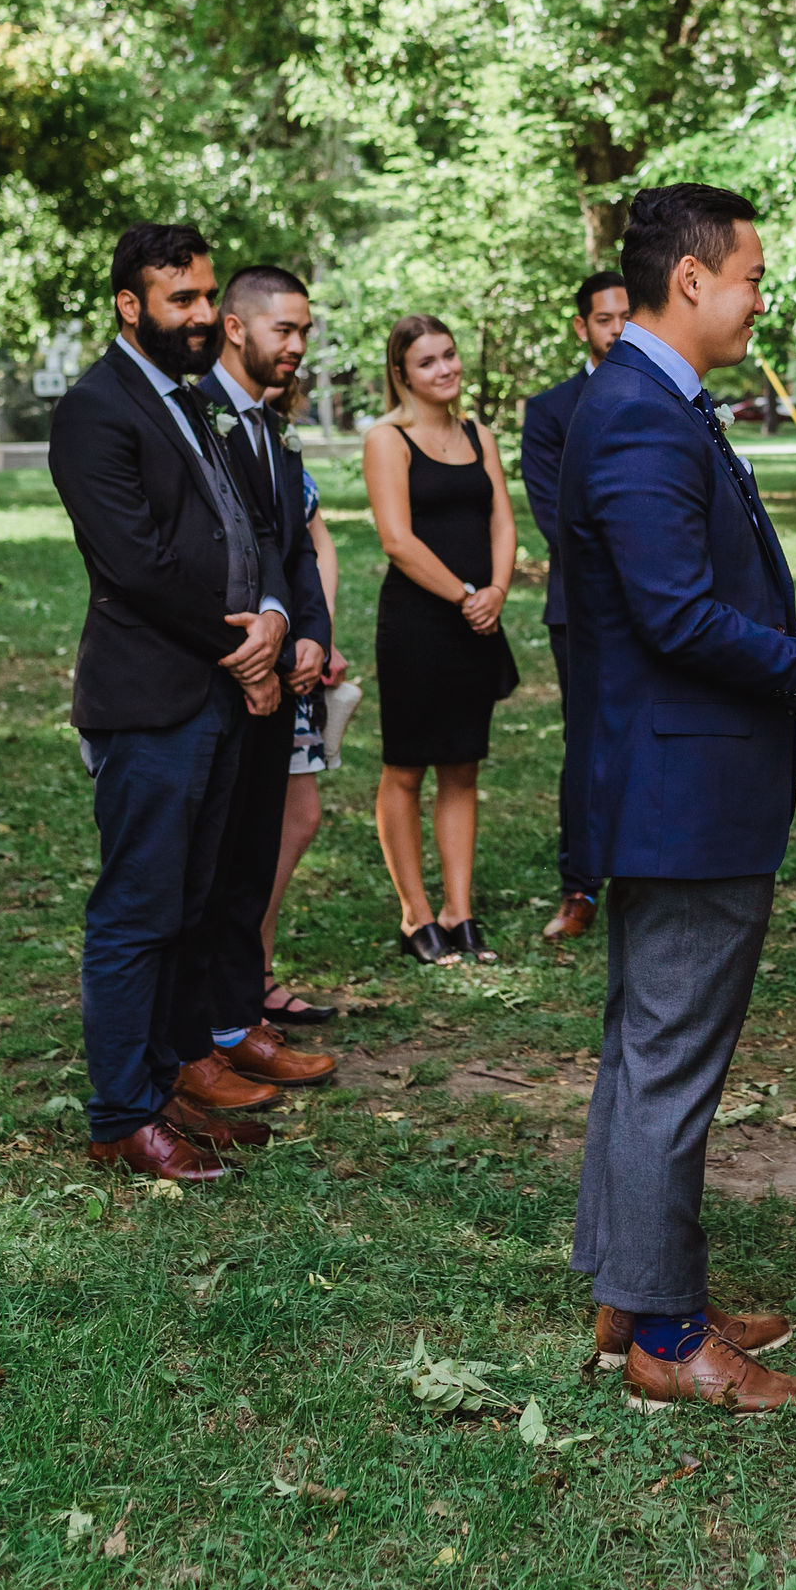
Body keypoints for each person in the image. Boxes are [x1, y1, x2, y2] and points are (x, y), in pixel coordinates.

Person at [558, 182, 796, 1411]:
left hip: (688, 773)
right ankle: (665, 1335)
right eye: (754, 276)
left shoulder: (655, 402)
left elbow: (721, 596)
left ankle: (634, 1284)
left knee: (643, 1046)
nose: (763, 297)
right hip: (683, 786)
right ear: (693, 281)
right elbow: (674, 615)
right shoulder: (638, 416)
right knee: (667, 1055)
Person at [48, 224, 293, 1184]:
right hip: (151, 699)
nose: (201, 316)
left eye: (204, 297)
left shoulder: (193, 403)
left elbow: (252, 528)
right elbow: (138, 569)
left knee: (191, 905)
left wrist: (274, 611)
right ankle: (120, 1115)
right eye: (180, 300)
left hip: (218, 689)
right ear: (129, 306)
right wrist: (246, 651)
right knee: (138, 910)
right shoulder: (94, 410)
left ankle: (165, 1082)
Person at [182, 266, 338, 1110]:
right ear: (237, 328)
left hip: (283, 666)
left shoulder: (276, 428)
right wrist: (259, 645)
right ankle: (202, 1031)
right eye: (286, 330)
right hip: (221, 669)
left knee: (251, 855)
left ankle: (240, 1021)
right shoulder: (195, 415)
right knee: (209, 863)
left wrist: (310, 632)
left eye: (306, 331)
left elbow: (295, 548)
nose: (298, 346)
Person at [362, 317, 520, 963]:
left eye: (449, 355)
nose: (445, 369)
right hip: (419, 625)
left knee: (462, 766)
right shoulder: (387, 438)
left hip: (478, 621)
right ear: (402, 373)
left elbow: (503, 522)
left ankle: (459, 910)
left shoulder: (479, 434)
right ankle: (415, 914)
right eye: (427, 362)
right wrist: (463, 595)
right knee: (406, 768)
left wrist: (496, 594)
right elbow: (397, 541)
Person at [520, 268, 630, 942]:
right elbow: (554, 515)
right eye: (604, 318)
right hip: (583, 606)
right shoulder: (551, 410)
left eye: (626, 315)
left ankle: (649, 873)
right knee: (586, 743)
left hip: (670, 606)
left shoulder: (678, 395)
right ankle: (580, 885)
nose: (617, 328)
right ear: (582, 327)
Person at [260, 399, 349, 1032]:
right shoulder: (212, 422)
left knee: (300, 814)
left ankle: (253, 969)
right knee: (259, 823)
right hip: (255, 650)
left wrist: (322, 634)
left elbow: (317, 546)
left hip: (301, 648)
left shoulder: (281, 435)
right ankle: (245, 976)